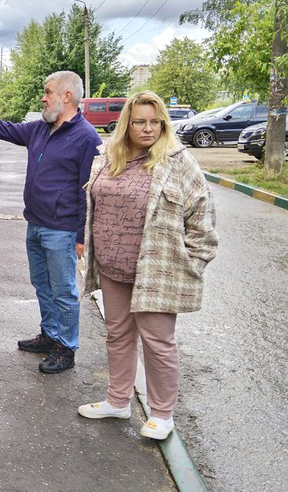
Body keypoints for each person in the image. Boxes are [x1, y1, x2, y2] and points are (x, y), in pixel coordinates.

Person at [0, 71, 102, 373]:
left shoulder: (87, 138)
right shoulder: (40, 129)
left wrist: (81, 236)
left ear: (67, 96)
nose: (43, 96)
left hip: (62, 230)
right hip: (35, 224)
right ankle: (50, 335)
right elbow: (4, 128)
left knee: (63, 290)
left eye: (48, 92)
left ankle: (66, 348)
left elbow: (87, 193)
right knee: (42, 284)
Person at [77, 91, 218, 440]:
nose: (148, 128)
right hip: (112, 267)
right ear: (127, 123)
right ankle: (118, 400)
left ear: (164, 124)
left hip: (155, 271)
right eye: (140, 121)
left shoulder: (178, 162)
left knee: (158, 342)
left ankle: (162, 414)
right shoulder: (109, 157)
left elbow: (203, 218)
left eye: (155, 122)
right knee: (118, 335)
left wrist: (191, 264)